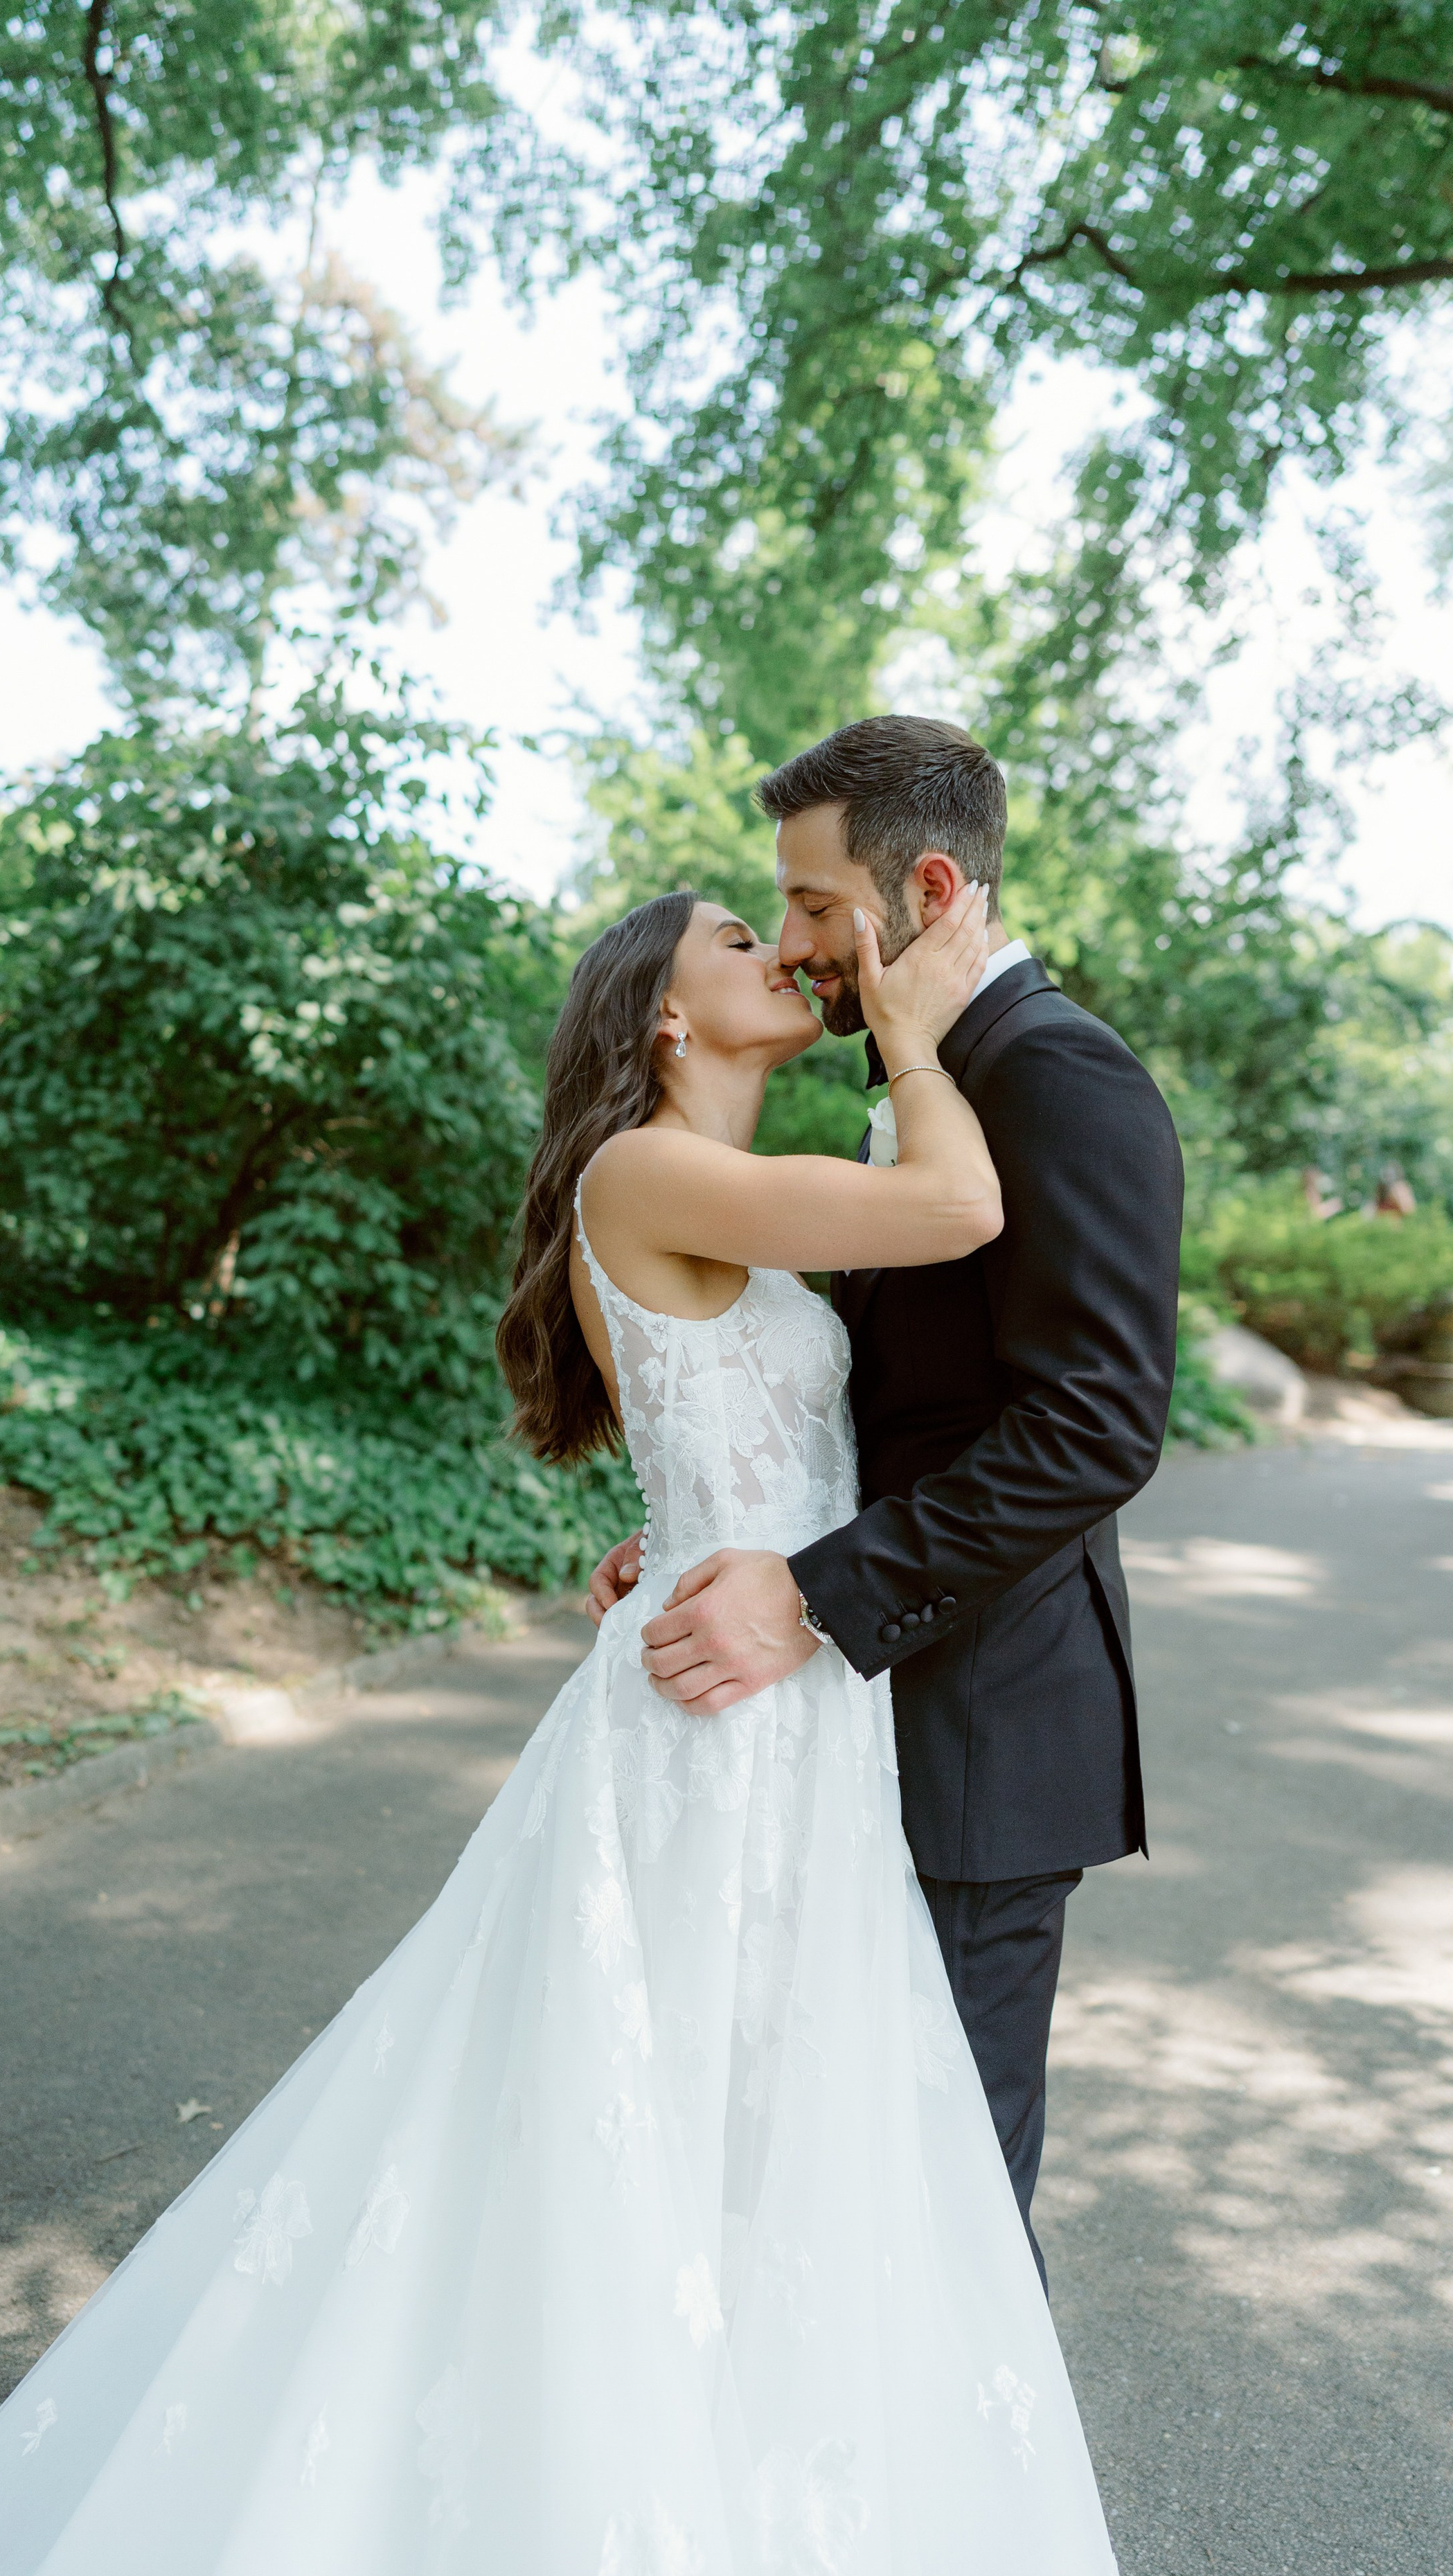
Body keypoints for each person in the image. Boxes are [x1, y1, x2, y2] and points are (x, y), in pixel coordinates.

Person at [0, 869, 1136, 2576]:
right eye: (743, 940)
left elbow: (785, 1435)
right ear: (662, 1012)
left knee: (761, 2135)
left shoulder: (726, 1199)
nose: (785, 952)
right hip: (720, 1730)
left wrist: (699, 1532)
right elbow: (954, 1203)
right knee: (646, 2134)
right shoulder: (641, 1170)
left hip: (782, 1702)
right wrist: (919, 1024)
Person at [588, 715, 1184, 2289]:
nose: (792, 944)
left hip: (980, 1727)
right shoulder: (932, 1082)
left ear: (924, 890)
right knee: (822, 2184)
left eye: (811, 906)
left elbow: (1092, 1428)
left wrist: (809, 1591)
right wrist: (730, 1523)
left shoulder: (1056, 1075)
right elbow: (898, 1404)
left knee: (943, 2218)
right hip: (847, 1724)